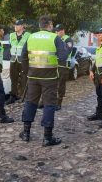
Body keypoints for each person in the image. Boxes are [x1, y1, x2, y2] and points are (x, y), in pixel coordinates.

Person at [19, 15, 67, 146]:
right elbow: (63, 57)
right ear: (50, 25)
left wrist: (27, 71)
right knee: (49, 104)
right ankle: (47, 137)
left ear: (40, 25)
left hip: (33, 76)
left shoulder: (30, 37)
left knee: (30, 102)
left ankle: (26, 133)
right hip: (50, 78)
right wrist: (59, 73)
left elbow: (23, 57)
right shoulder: (55, 38)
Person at [6, 19, 31, 105]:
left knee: (24, 79)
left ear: (22, 26)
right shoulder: (11, 35)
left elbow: (30, 49)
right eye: (15, 25)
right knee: (13, 79)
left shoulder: (28, 35)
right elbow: (9, 47)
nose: (15, 27)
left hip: (23, 61)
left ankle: (24, 97)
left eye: (17, 25)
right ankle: (13, 96)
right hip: (13, 60)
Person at [54, 24, 73, 111]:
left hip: (64, 65)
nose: (56, 32)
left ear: (63, 30)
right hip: (56, 64)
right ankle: (49, 102)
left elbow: (67, 51)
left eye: (58, 31)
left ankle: (59, 103)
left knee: (61, 84)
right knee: (53, 83)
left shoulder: (68, 39)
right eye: (56, 31)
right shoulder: (55, 38)